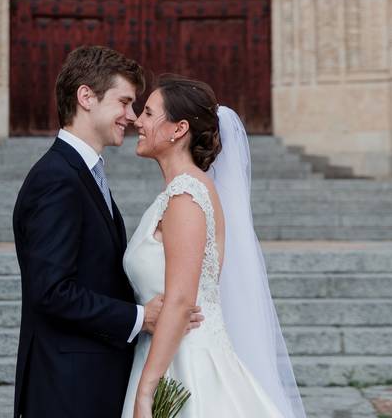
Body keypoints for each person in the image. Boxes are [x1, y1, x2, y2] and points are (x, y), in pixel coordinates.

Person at [12, 46, 202, 418]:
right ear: (86, 97)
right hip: (67, 388)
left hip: (89, 379)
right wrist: (138, 317)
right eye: (125, 102)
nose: (132, 118)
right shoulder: (57, 180)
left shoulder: (82, 174)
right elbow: (50, 291)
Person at [122, 75, 307, 418]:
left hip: (187, 366)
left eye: (148, 113)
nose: (137, 121)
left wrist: (145, 393)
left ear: (178, 129)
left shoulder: (187, 197)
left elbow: (181, 301)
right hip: (166, 354)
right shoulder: (179, 193)